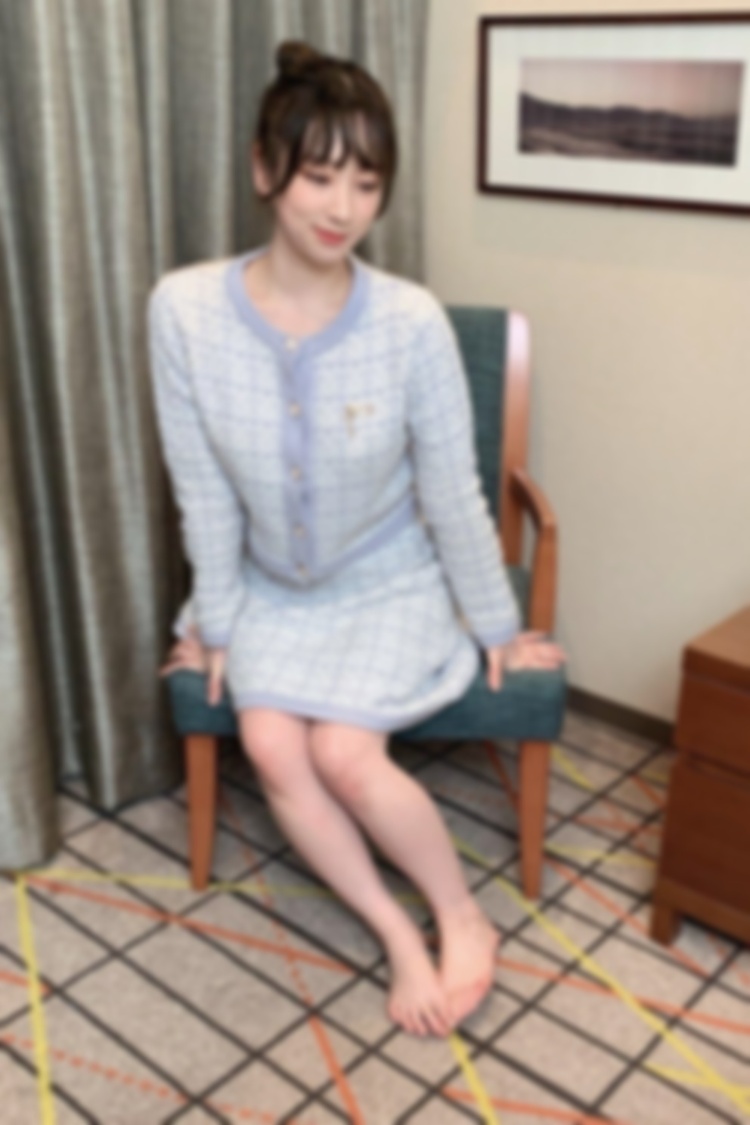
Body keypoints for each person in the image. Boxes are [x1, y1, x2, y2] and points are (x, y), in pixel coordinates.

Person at [149, 40, 566, 1040]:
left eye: (367, 183)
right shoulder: (184, 310)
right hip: (270, 586)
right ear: (264, 169)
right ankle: (395, 931)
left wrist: (496, 626)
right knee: (269, 742)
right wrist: (216, 622)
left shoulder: (410, 323)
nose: (343, 208)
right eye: (320, 176)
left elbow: (453, 492)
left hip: (388, 581)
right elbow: (203, 490)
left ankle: (460, 915)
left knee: (342, 752)